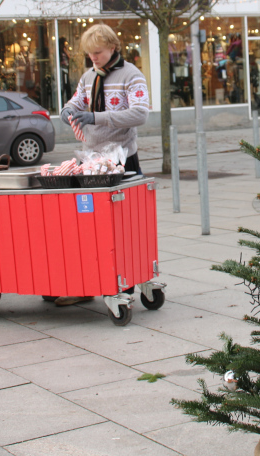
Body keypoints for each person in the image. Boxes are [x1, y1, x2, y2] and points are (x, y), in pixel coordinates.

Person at [55, 24, 150, 307]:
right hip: (92, 160)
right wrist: (68, 109)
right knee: (87, 227)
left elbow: (140, 113)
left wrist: (96, 117)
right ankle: (86, 284)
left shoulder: (131, 75)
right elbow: (78, 100)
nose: (93, 58)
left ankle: (126, 286)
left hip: (122, 159)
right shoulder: (89, 76)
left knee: (124, 226)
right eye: (89, 54)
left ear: (112, 47)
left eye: (97, 52)